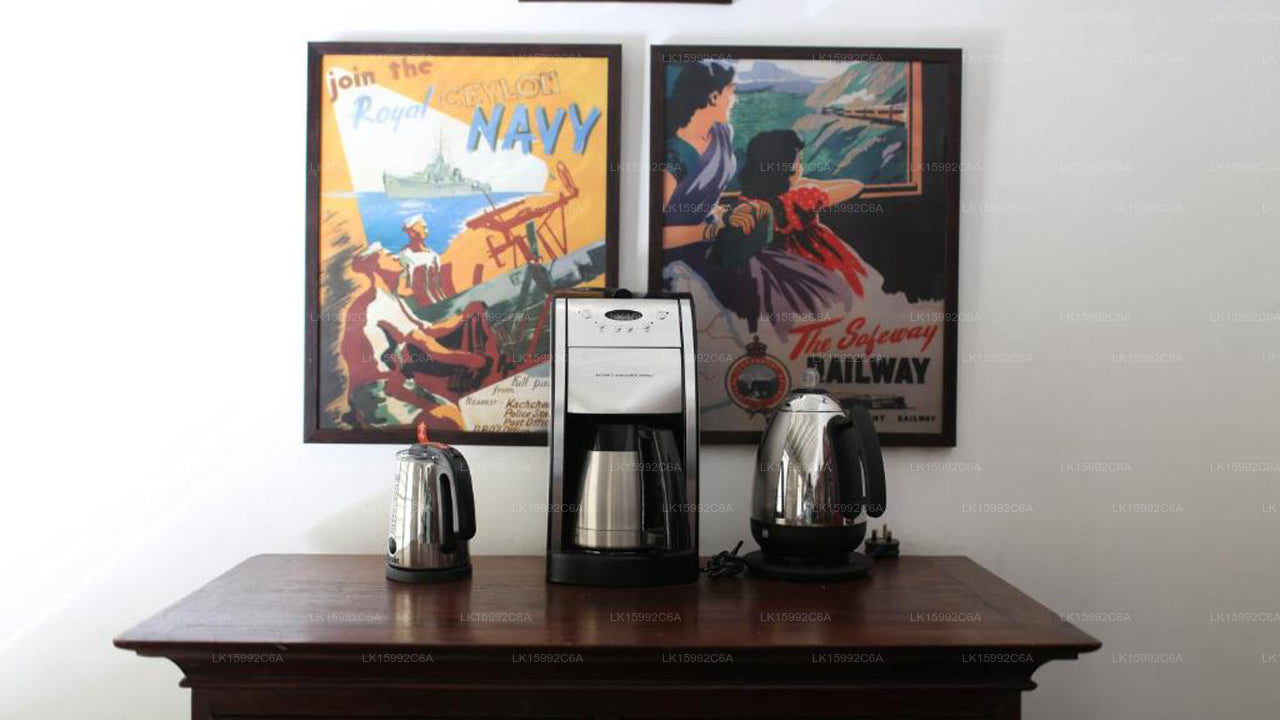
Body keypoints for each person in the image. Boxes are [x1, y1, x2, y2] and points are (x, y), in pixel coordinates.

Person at [339, 243, 493, 430]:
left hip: (384, 385)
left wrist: (465, 315)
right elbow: (425, 343)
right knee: (449, 418)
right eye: (387, 254)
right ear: (374, 265)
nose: (396, 256)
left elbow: (427, 330)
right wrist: (473, 360)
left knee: (447, 416)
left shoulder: (391, 299)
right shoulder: (378, 304)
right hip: (376, 390)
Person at [738, 129, 871, 297]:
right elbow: (855, 186)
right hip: (813, 259)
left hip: (766, 262)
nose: (801, 165)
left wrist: (798, 183)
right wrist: (806, 183)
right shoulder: (803, 196)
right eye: (799, 160)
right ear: (789, 168)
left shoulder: (749, 198)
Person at [661, 61, 758, 249]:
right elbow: (655, 233)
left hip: (711, 240)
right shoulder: (674, 155)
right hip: (678, 253)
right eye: (732, 92)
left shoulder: (723, 133)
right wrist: (712, 231)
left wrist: (728, 216)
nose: (735, 100)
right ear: (714, 97)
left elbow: (706, 205)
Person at [397, 214, 451, 308]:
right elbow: (407, 285)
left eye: (425, 227)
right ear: (411, 232)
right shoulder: (406, 254)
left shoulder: (433, 254)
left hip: (441, 300)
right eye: (422, 227)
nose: (426, 230)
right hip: (424, 305)